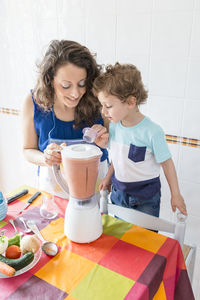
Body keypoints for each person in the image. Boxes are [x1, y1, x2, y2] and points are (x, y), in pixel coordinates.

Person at [92, 62, 187, 217]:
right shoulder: (115, 126)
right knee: (120, 234)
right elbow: (118, 157)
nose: (103, 111)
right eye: (102, 105)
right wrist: (108, 178)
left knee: (145, 239)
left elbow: (167, 164)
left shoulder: (152, 132)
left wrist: (175, 194)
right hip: (119, 192)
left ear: (130, 102)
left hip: (146, 198)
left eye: (108, 106)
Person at [22, 40, 109, 197]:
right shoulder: (33, 101)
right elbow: (28, 150)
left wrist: (107, 141)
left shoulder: (100, 99)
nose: (76, 93)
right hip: (53, 193)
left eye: (82, 83)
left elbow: (121, 143)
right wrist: (45, 158)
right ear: (50, 79)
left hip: (94, 192)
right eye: (66, 86)